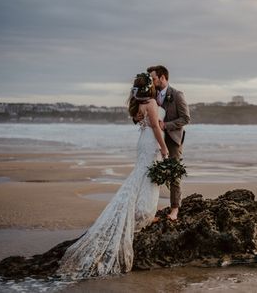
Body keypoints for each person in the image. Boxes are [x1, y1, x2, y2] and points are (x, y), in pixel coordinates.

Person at [57, 73, 168, 279]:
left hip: (143, 141)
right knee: (147, 176)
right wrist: (163, 148)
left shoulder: (139, 104)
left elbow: (148, 123)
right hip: (151, 142)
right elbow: (154, 125)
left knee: (142, 175)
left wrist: (159, 126)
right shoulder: (151, 102)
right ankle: (144, 212)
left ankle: (142, 209)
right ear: (149, 88)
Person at [147, 65, 190, 221]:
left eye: (153, 78)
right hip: (153, 139)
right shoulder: (151, 95)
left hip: (173, 140)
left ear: (163, 77)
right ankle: (151, 206)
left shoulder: (177, 95)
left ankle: (175, 209)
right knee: (153, 173)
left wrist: (166, 126)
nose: (151, 81)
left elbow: (186, 118)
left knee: (173, 175)